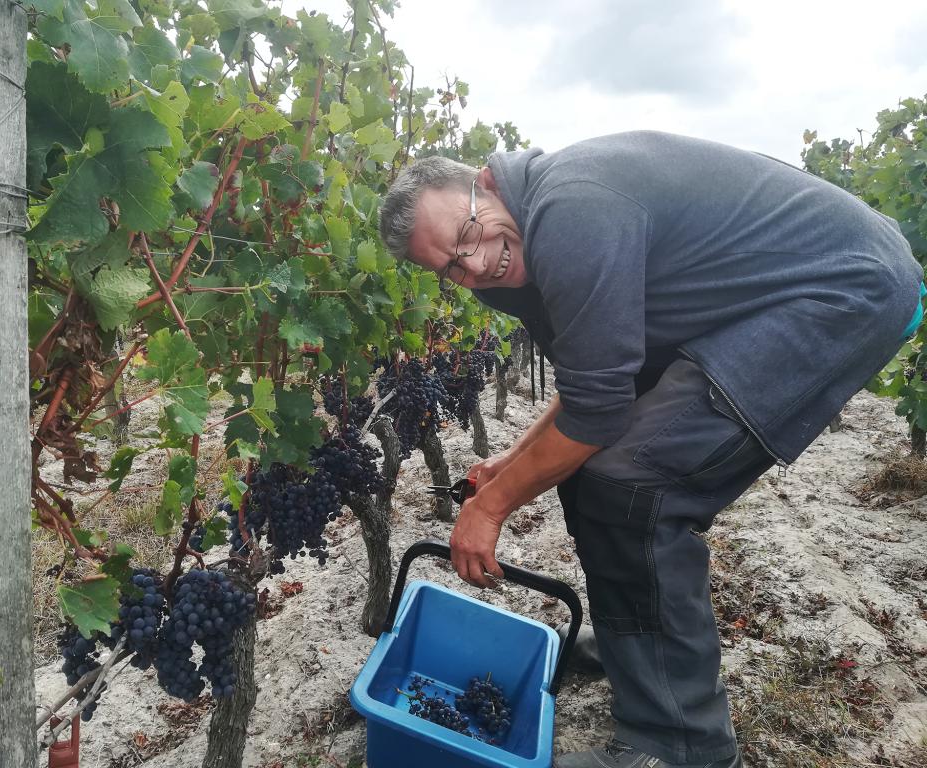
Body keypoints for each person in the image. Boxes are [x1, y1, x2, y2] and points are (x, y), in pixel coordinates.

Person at [377, 131, 924, 768]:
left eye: (466, 234)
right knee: (585, 472)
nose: (471, 265)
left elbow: (597, 412)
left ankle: (680, 746)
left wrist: (489, 508)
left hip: (842, 289)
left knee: (633, 487)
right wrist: (510, 463)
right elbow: (594, 382)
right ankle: (634, 651)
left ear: (487, 182)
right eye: (449, 267)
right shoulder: (508, 260)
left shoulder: (571, 208)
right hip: (754, 303)